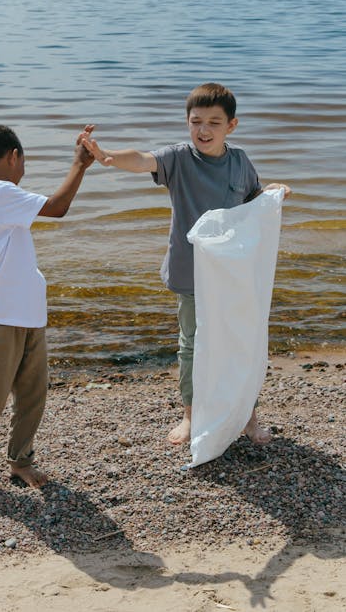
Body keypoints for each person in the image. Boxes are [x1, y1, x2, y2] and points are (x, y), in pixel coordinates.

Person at [81, 83, 290, 447]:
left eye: (213, 122)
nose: (203, 130)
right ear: (187, 123)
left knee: (239, 343)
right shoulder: (179, 158)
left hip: (232, 274)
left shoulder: (240, 162)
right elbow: (144, 159)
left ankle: (248, 417)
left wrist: (272, 193)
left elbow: (253, 206)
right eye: (195, 122)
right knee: (192, 345)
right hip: (190, 271)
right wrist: (108, 156)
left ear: (232, 125)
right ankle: (191, 416)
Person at [0, 124, 94, 489]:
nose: (23, 169)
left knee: (32, 393)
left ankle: (20, 461)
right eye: (23, 160)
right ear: (13, 156)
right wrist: (80, 164)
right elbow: (57, 208)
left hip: (26, 311)